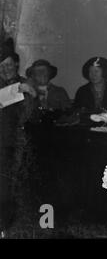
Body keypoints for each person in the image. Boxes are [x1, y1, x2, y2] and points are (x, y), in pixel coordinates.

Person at [0, 38, 37, 235]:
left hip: (19, 146)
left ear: (16, 64)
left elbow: (30, 116)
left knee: (16, 188)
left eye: (8, 64)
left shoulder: (26, 84)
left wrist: (27, 93)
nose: (5, 69)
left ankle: (11, 227)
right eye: (0, 66)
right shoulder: (8, 87)